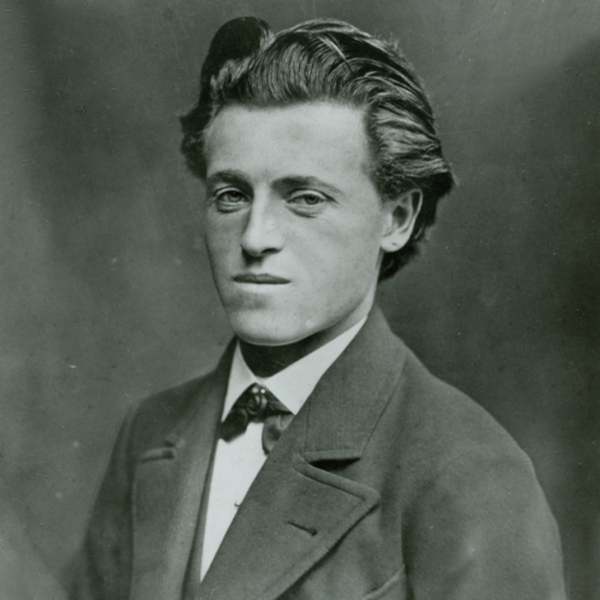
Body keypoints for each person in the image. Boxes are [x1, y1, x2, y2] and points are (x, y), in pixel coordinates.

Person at [71, 17, 567, 600]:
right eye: (231, 195)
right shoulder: (149, 433)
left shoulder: (472, 474)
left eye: (305, 198)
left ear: (397, 218)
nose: (255, 237)